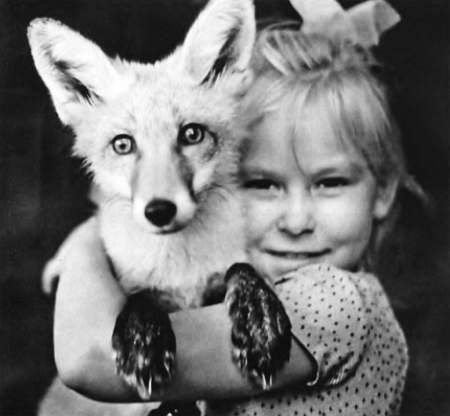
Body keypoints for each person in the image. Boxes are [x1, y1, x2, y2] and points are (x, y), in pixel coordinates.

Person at [41, 0, 424, 415]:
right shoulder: (259, 289)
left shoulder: (341, 305)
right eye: (262, 184)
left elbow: (89, 359)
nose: (296, 221)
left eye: (330, 183)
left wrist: (84, 245)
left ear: (384, 191)